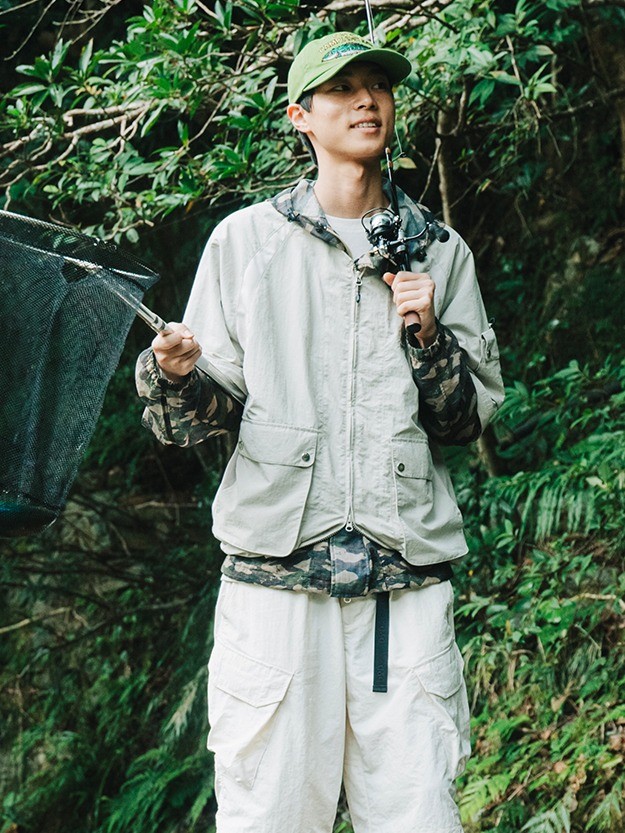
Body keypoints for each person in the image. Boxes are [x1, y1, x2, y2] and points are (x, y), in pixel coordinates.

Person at [135, 30, 504, 833]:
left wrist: (428, 336)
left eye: (378, 86)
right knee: (269, 815)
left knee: (417, 815)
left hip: (401, 589)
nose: (365, 100)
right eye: (340, 89)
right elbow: (190, 424)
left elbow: (463, 420)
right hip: (275, 590)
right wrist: (176, 373)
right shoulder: (244, 242)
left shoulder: (439, 252)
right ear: (300, 116)